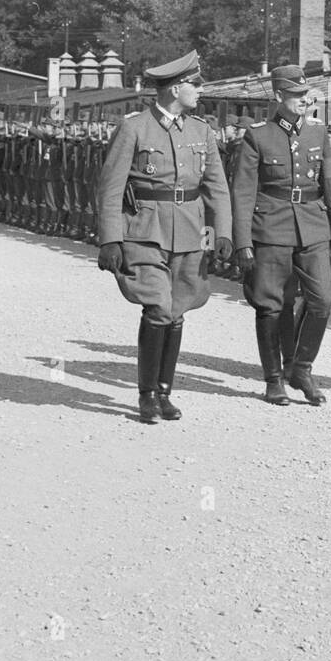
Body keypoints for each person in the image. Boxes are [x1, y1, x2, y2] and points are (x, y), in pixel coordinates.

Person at [96, 52, 232, 424]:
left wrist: (225, 232)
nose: (201, 90)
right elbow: (110, 188)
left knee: (176, 310)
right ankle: (146, 396)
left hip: (189, 230)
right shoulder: (135, 128)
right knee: (157, 307)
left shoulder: (201, 130)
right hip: (144, 230)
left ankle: (165, 392)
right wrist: (110, 239)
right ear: (176, 88)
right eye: (197, 84)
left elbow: (217, 185)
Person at [231, 65, 331, 405]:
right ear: (278, 97)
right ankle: (273, 379)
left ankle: (301, 367)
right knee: (272, 304)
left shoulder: (317, 132)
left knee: (322, 298)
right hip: (271, 226)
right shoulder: (258, 135)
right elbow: (243, 193)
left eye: (306, 94)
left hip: (313, 225)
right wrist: (242, 242)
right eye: (297, 95)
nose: (304, 100)